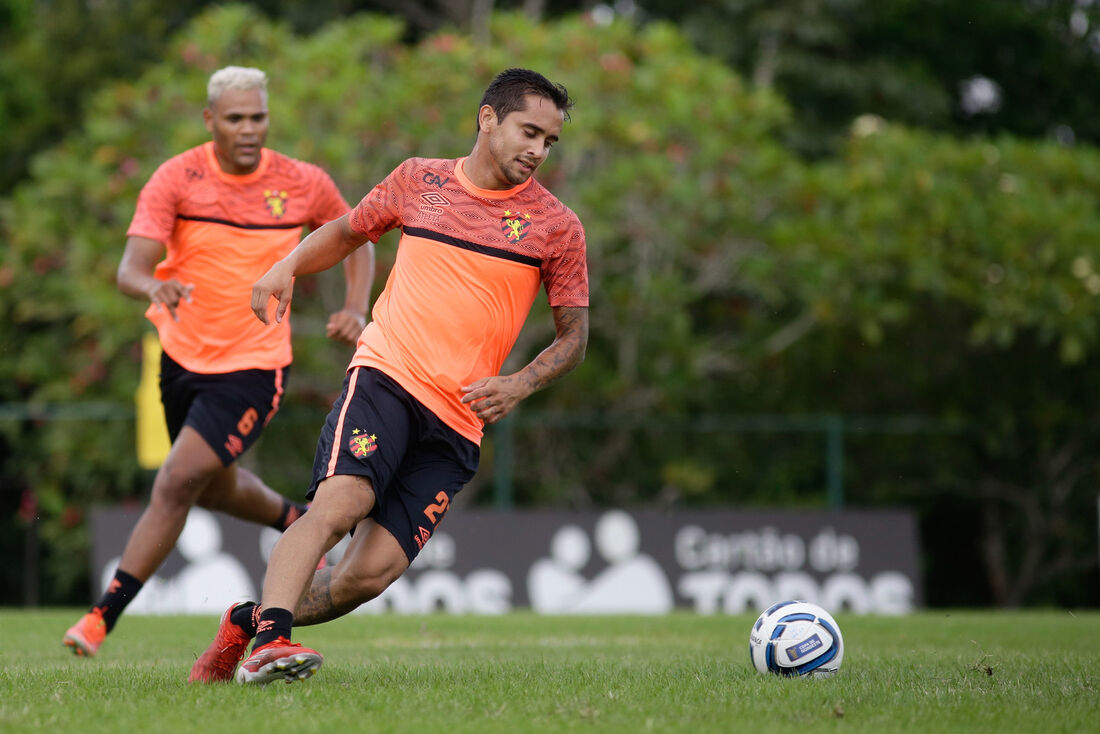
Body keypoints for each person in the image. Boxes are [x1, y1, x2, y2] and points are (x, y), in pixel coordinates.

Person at [187, 67, 588, 685]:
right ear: (488, 118)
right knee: (340, 505)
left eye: (549, 141)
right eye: (528, 131)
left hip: (460, 422)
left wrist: (521, 383)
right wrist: (284, 267)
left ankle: (248, 619)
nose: (537, 149)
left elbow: (574, 338)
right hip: (387, 377)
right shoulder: (417, 179)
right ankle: (271, 642)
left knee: (364, 578)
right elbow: (348, 233)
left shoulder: (556, 226)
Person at [63, 65, 373, 658]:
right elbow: (131, 267)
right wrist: (151, 287)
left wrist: (355, 306)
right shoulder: (176, 177)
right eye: (236, 118)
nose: (249, 128)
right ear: (211, 121)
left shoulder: (301, 181)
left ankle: (102, 616)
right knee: (209, 487)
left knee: (177, 479)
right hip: (181, 358)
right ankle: (293, 517)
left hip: (255, 367)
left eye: (258, 116)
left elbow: (357, 234)